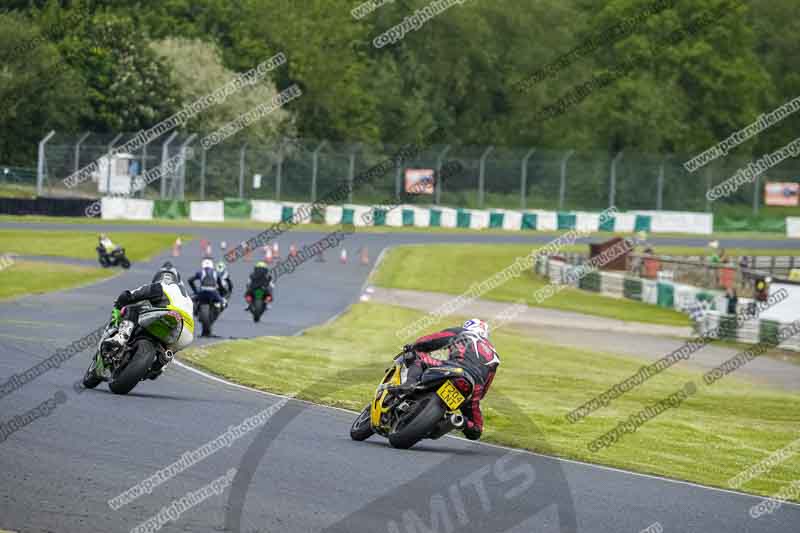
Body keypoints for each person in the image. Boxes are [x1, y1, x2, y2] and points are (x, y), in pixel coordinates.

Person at [398, 318, 499, 441]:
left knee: (417, 356)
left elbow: (431, 340)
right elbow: (485, 389)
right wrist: (473, 398)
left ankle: (409, 385)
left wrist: (414, 346)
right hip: (474, 386)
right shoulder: (494, 355)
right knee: (476, 430)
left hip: (454, 369)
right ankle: (457, 421)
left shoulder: (462, 332)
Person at [102, 266, 194, 379]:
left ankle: (122, 337)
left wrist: (119, 304)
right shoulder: (187, 298)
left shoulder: (161, 286)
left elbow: (131, 295)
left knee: (132, 309)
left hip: (167, 315)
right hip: (186, 333)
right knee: (168, 351)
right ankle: (161, 363)